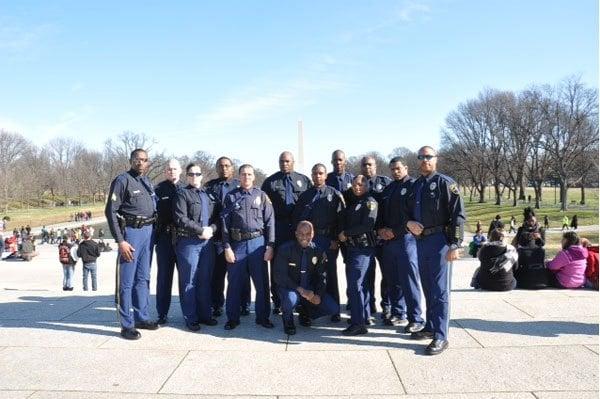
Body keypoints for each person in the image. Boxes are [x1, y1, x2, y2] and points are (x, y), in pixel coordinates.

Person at [405, 146, 465, 355]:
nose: (424, 160)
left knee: (440, 291)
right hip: (421, 241)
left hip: (440, 241)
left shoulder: (445, 184)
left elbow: (458, 215)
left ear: (436, 159)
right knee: (428, 287)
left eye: (428, 157)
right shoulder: (416, 186)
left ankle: (441, 336)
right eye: (421, 157)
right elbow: (406, 212)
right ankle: (430, 326)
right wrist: (408, 224)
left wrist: (455, 244)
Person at [105, 148, 159, 340]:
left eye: (144, 160)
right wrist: (121, 241)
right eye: (137, 159)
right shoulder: (122, 180)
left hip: (148, 233)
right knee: (126, 282)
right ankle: (126, 324)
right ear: (131, 160)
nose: (141, 163)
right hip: (131, 234)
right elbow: (110, 212)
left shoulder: (146, 181)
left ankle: (141, 317)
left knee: (143, 278)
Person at [222, 164, 275, 330]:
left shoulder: (262, 195)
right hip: (237, 244)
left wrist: (270, 245)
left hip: (257, 244)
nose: (246, 177)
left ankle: (263, 317)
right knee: (234, 284)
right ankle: (232, 317)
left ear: (254, 177)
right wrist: (227, 247)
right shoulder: (231, 197)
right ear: (239, 176)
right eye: (243, 174)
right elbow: (224, 225)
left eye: (249, 174)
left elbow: (270, 222)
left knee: (261, 284)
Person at [292, 163, 345, 322]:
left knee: (330, 275)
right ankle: (307, 312)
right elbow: (297, 218)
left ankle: (334, 309)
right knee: (308, 276)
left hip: (328, 241)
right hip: (310, 241)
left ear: (325, 175)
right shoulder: (305, 195)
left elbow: (340, 219)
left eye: (321, 173)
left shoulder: (334, 194)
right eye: (314, 174)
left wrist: (335, 239)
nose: (317, 176)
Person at [261, 151, 311, 315]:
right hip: (279, 228)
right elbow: (264, 208)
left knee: (301, 265)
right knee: (277, 266)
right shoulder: (270, 182)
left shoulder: (304, 180)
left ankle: (299, 300)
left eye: (288, 161)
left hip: (299, 230)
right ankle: (277, 300)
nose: (285, 164)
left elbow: (311, 205)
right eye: (282, 161)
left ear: (293, 162)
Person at [173, 163, 219, 330]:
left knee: (205, 280)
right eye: (191, 174)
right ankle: (191, 317)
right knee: (189, 281)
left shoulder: (208, 195)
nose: (194, 177)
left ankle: (205, 314)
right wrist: (200, 230)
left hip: (207, 243)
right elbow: (181, 218)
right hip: (189, 243)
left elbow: (217, 217)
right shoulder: (182, 194)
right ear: (186, 176)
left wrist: (211, 230)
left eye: (197, 174)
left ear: (202, 176)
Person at [274, 221, 340, 335]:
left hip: (309, 289)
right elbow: (280, 276)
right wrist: (300, 290)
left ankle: (306, 312)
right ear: (296, 234)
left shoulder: (318, 251)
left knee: (333, 308)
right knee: (290, 300)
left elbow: (322, 276)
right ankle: (288, 320)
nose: (304, 237)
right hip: (290, 288)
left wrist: (318, 295)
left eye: (308, 234)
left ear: (313, 234)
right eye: (301, 234)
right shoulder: (285, 249)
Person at [205, 156, 251, 318]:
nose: (224, 168)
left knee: (241, 275)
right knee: (217, 274)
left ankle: (244, 304)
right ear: (217, 168)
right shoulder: (209, 187)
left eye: (227, 165)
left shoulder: (241, 186)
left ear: (232, 168)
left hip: (238, 238)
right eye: (220, 166)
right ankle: (216, 304)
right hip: (217, 237)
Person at [338, 175, 378, 336]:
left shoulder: (370, 202)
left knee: (356, 286)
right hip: (353, 249)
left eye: (361, 184)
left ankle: (358, 323)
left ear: (367, 185)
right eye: (354, 184)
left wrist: (346, 233)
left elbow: (368, 224)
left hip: (362, 249)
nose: (357, 186)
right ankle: (362, 317)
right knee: (361, 286)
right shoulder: (355, 201)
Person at [376, 157, 414, 327]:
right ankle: (398, 313)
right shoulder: (389, 188)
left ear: (405, 168)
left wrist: (395, 231)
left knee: (409, 281)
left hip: (406, 239)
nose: (395, 172)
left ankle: (415, 318)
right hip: (389, 242)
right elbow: (381, 214)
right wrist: (381, 230)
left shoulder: (413, 186)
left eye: (398, 168)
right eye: (392, 169)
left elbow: (413, 216)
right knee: (393, 280)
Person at [357, 155, 392, 317]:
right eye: (364, 165)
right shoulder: (358, 185)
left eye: (370, 164)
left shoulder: (386, 183)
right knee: (367, 274)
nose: (367, 167)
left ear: (376, 166)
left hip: (383, 237)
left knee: (387, 274)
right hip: (366, 238)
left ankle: (387, 305)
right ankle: (368, 305)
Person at [153, 159, 184, 325]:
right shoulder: (158, 189)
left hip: (183, 238)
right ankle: (162, 313)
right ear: (165, 172)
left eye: (174, 169)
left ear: (180, 171)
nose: (172, 172)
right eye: (169, 169)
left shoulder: (187, 189)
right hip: (165, 238)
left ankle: (188, 312)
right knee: (164, 278)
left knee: (185, 278)